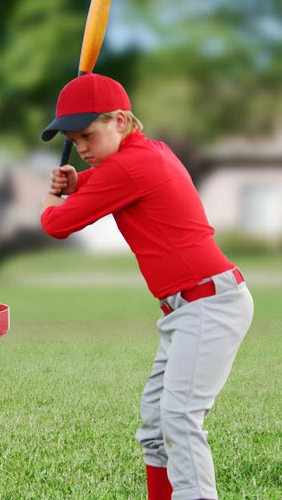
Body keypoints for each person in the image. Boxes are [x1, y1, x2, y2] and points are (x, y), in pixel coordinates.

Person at [39, 73, 254, 500]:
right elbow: (118, 183)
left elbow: (56, 224)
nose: (80, 148)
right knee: (155, 427)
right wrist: (79, 182)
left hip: (209, 304)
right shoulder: (150, 153)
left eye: (88, 135)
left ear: (120, 121)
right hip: (191, 306)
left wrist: (52, 198)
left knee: (178, 419)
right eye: (73, 138)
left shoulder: (129, 166)